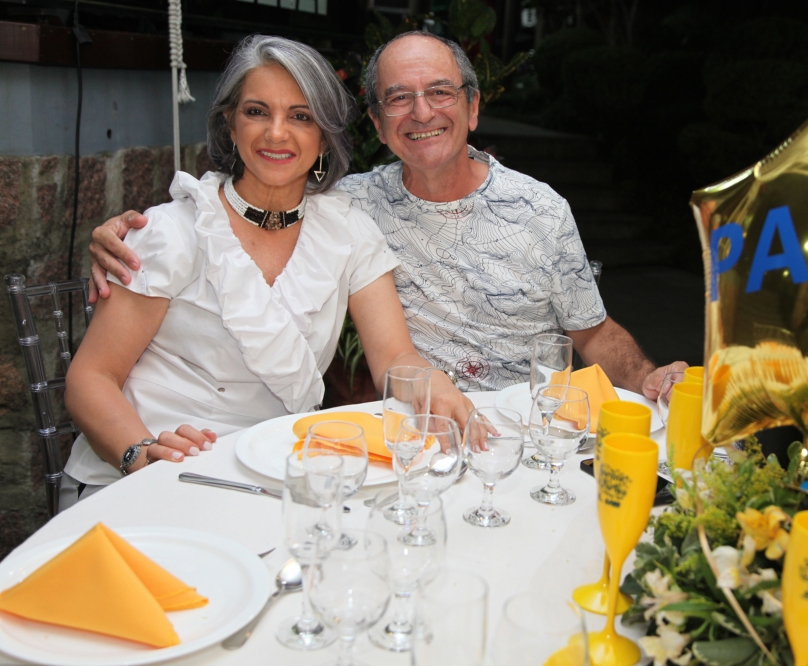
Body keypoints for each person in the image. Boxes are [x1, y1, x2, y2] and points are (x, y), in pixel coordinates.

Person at [88, 31, 687, 398]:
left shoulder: (541, 209)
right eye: (399, 98)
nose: (421, 112)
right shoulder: (348, 206)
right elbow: (250, 203)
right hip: (420, 431)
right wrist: (128, 231)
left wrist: (646, 376)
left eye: (440, 92)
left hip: (527, 427)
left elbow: (593, 332)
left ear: (473, 108)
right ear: (376, 124)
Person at [64, 35, 469, 504]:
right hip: (150, 471)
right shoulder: (172, 232)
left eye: (301, 116)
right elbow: (90, 378)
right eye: (257, 112)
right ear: (230, 125)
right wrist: (141, 453)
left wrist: (432, 382)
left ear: (324, 136)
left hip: (270, 477)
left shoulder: (349, 231)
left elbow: (395, 356)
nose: (277, 133)